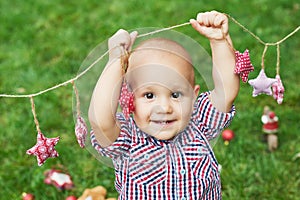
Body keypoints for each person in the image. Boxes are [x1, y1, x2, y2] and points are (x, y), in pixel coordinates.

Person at [88, 11, 240, 199]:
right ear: (130, 99)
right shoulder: (128, 139)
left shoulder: (199, 121)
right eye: (149, 95)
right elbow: (100, 120)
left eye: (176, 95)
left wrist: (219, 41)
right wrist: (115, 60)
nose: (165, 108)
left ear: (193, 98)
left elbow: (227, 92)